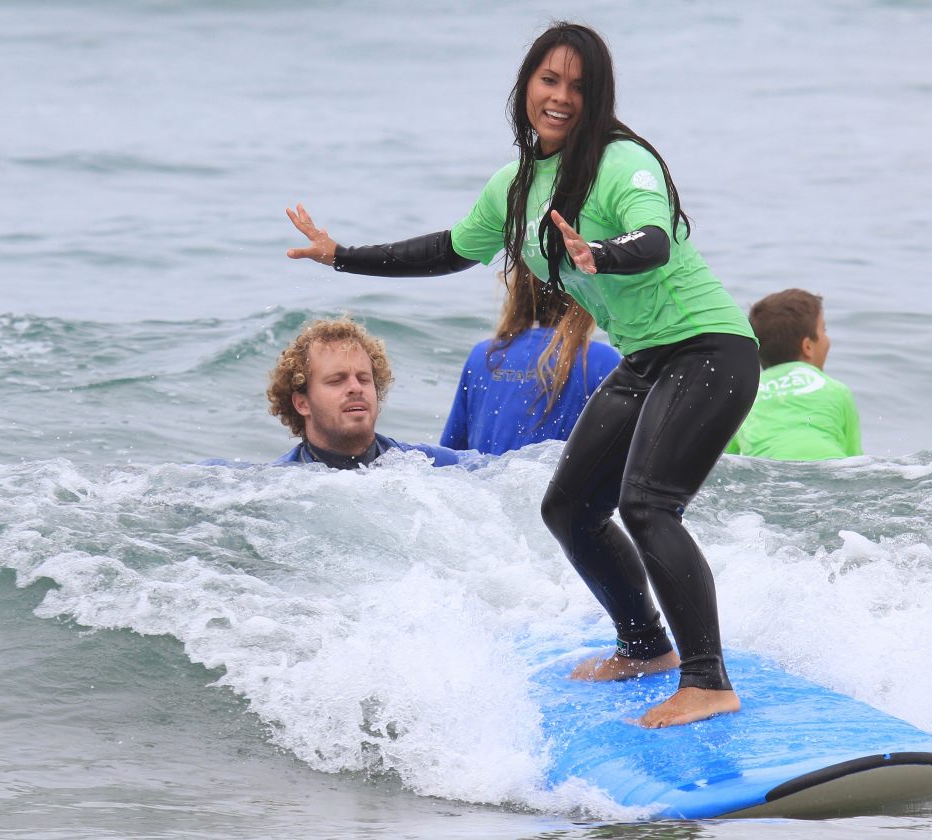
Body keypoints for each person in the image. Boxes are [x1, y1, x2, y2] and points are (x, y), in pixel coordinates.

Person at [285, 22, 759, 728]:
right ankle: (644, 646)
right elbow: (448, 250)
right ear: (526, 87)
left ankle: (707, 679)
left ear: (596, 98)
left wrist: (602, 252)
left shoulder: (623, 163)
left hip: (709, 348)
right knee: (568, 507)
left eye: (578, 85)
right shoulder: (517, 186)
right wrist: (342, 255)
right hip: (649, 357)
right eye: (549, 80)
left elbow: (653, 239)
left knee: (650, 503)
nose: (561, 96)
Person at [440, 261, 620, 455]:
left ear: (518, 288)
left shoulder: (484, 356)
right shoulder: (601, 362)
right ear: (586, 291)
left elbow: (452, 457)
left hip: (481, 483)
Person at [267, 317, 465, 468]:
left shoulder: (430, 464)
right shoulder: (278, 486)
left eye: (364, 379)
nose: (356, 387)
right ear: (302, 403)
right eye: (336, 380)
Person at [726, 289, 862, 461]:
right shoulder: (837, 390)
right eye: (824, 330)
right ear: (808, 347)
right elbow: (856, 461)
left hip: (770, 473)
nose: (828, 340)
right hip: (829, 466)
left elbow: (724, 461)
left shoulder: (744, 396)